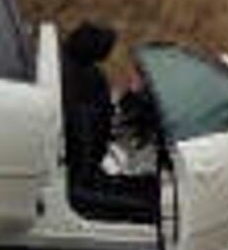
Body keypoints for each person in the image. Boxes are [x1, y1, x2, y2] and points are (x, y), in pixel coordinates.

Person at [61, 22, 158, 220]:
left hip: (81, 165)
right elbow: (99, 122)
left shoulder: (72, 71)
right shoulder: (89, 78)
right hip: (83, 171)